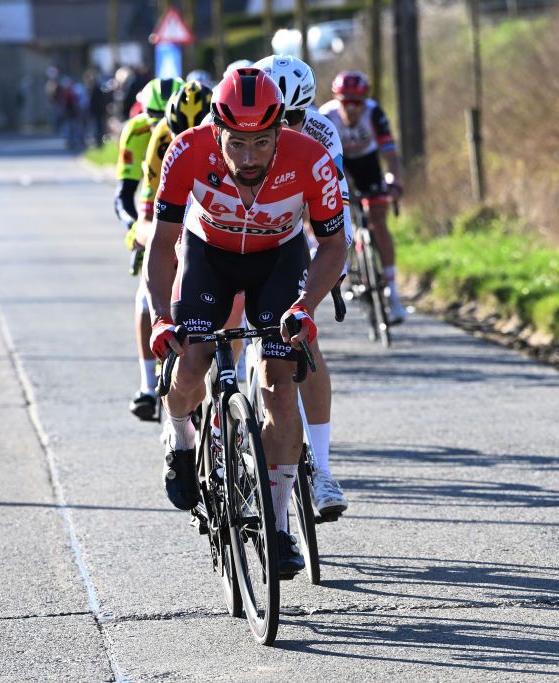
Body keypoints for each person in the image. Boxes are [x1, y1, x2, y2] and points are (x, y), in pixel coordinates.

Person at [145, 68, 347, 577]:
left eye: (262, 143)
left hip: (278, 261)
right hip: (208, 254)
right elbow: (162, 244)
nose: (250, 158)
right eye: (237, 144)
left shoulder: (310, 158)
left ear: (281, 131)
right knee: (190, 363)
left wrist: (305, 306)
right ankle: (182, 442)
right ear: (217, 133)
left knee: (280, 388)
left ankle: (278, 527)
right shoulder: (186, 151)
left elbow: (332, 246)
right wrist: (160, 318)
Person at [254, 54, 350, 517]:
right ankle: (223, 428)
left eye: (295, 117)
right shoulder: (243, 132)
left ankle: (324, 471)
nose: (286, 127)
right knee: (226, 328)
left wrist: (335, 262)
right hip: (237, 242)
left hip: (292, 238)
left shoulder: (321, 133)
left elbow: (336, 208)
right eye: (278, 117)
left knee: (304, 344)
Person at [113, 77, 185, 420]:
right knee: (146, 296)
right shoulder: (138, 132)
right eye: (153, 115)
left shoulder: (189, 127)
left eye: (165, 117)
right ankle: (146, 386)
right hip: (151, 209)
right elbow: (124, 194)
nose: (160, 124)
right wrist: (135, 229)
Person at [319, 71, 408, 323]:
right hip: (340, 165)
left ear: (365, 101)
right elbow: (322, 160)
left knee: (378, 220)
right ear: (338, 100)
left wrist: (395, 181)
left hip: (368, 165)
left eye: (358, 102)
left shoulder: (374, 113)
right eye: (347, 101)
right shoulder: (326, 117)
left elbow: (390, 154)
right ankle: (351, 268)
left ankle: (391, 287)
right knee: (340, 223)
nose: (353, 107)